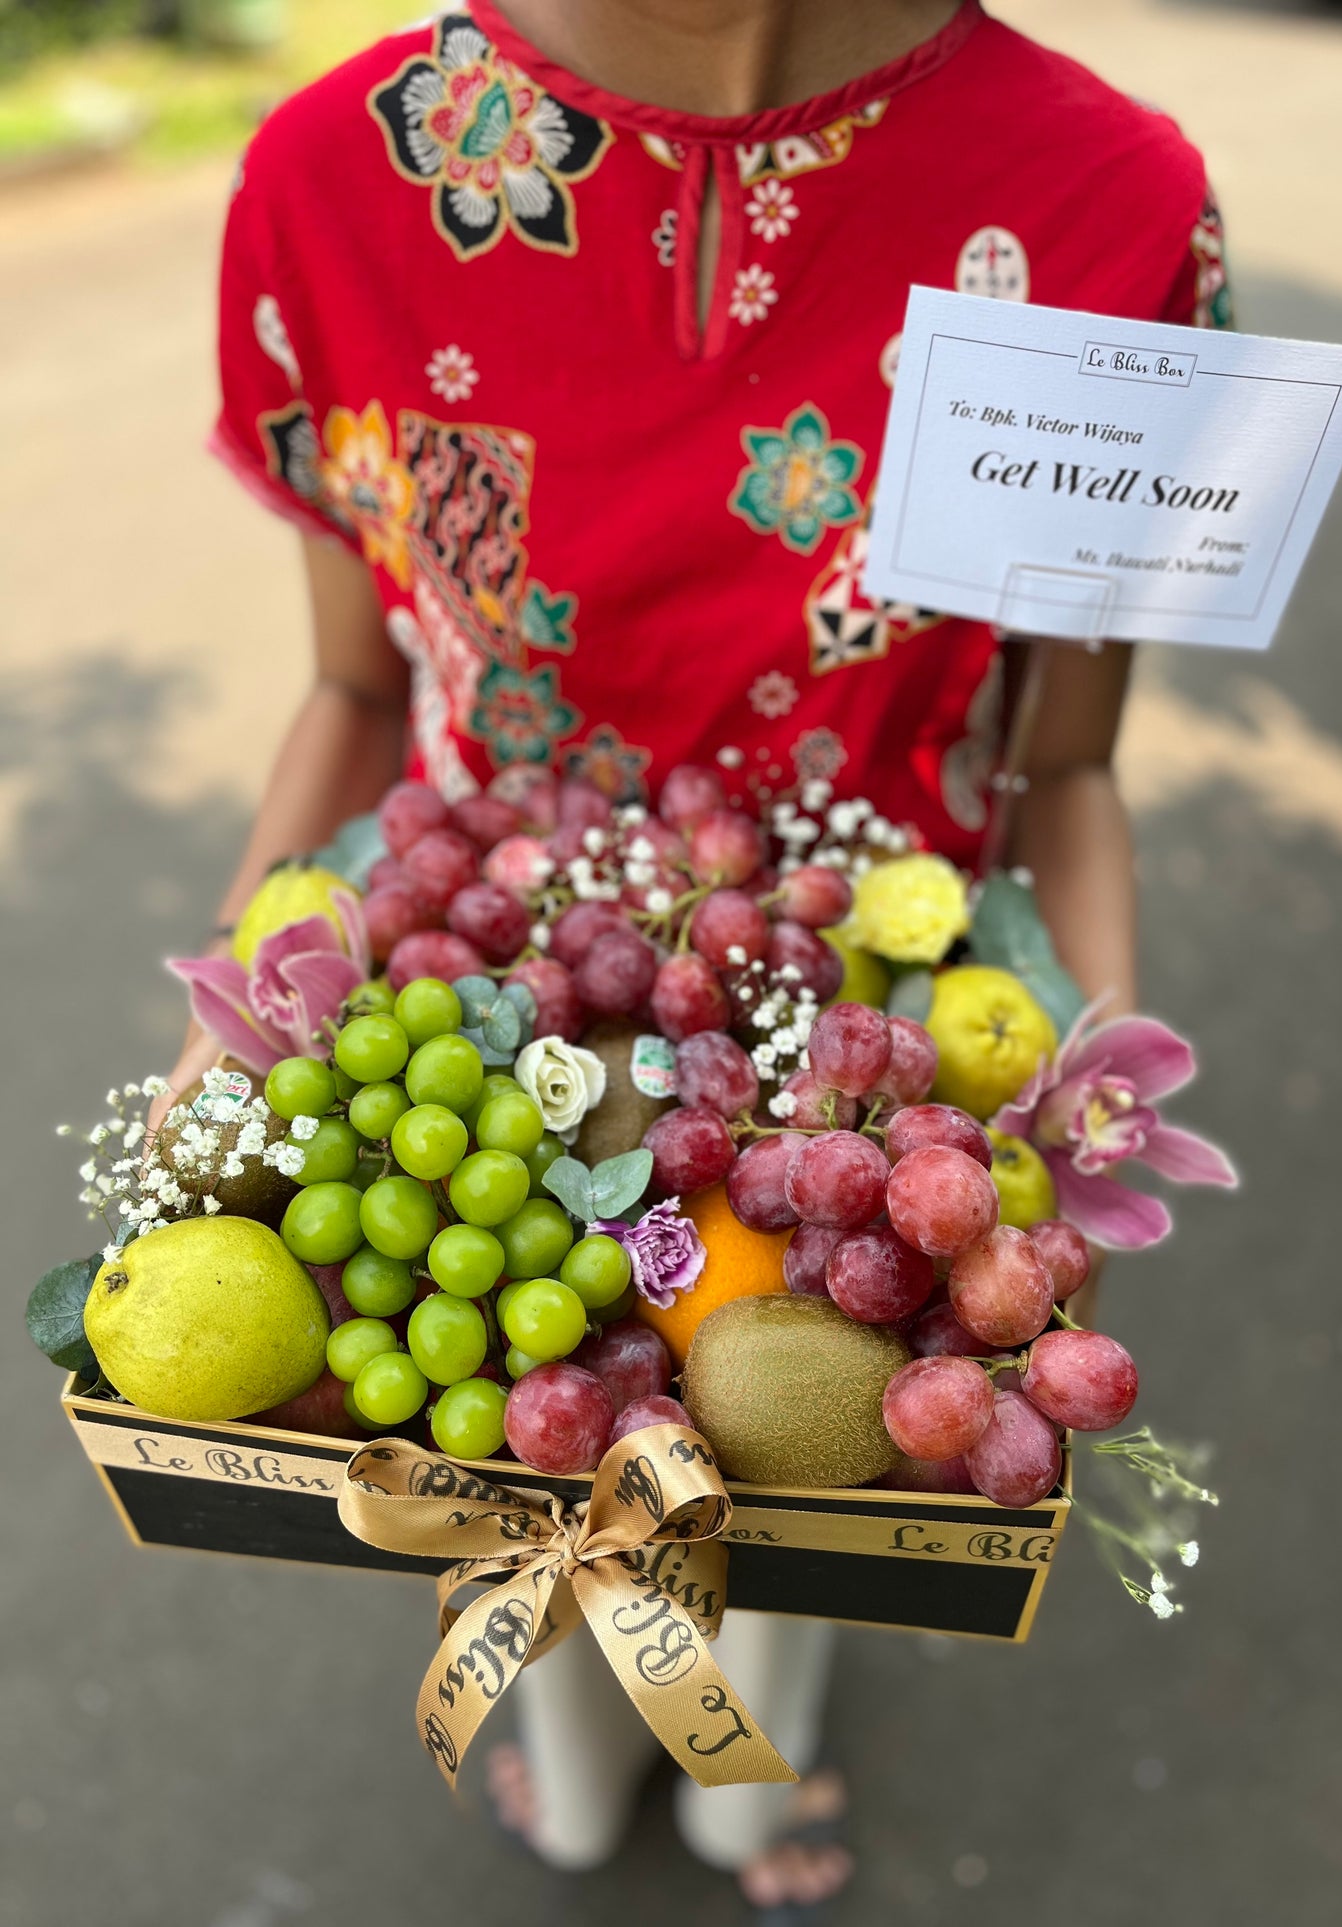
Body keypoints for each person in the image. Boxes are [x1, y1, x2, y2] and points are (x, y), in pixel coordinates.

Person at [162, 0, 1229, 1904]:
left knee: (808, 1439)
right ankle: (598, 1772)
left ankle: (730, 1783)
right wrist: (228, 1020)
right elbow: (354, 690)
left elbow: (1063, 766)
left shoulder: (1105, 208)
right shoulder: (331, 183)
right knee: (513, 1433)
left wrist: (1086, 1079)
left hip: (861, 1071)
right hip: (467, 1033)